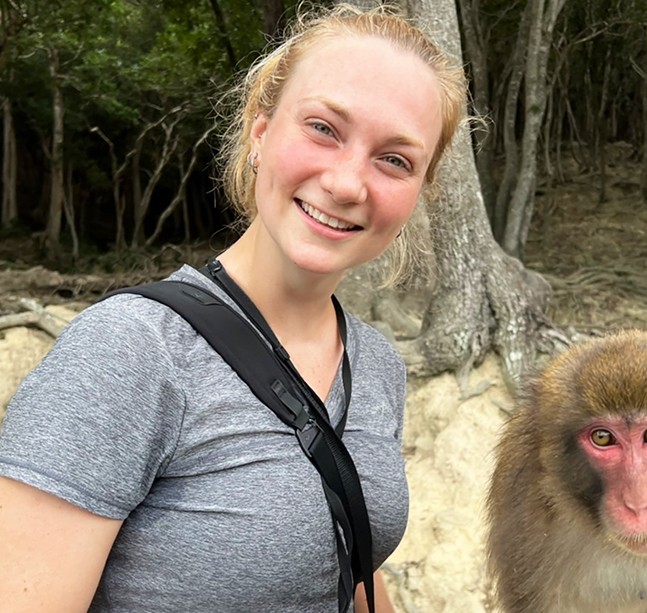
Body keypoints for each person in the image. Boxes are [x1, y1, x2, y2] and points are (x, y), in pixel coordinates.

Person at [0, 3, 467, 612]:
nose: (349, 183)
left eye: (395, 159)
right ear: (260, 131)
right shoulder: (130, 351)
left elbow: (351, 554)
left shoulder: (376, 363)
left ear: (417, 194)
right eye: (324, 128)